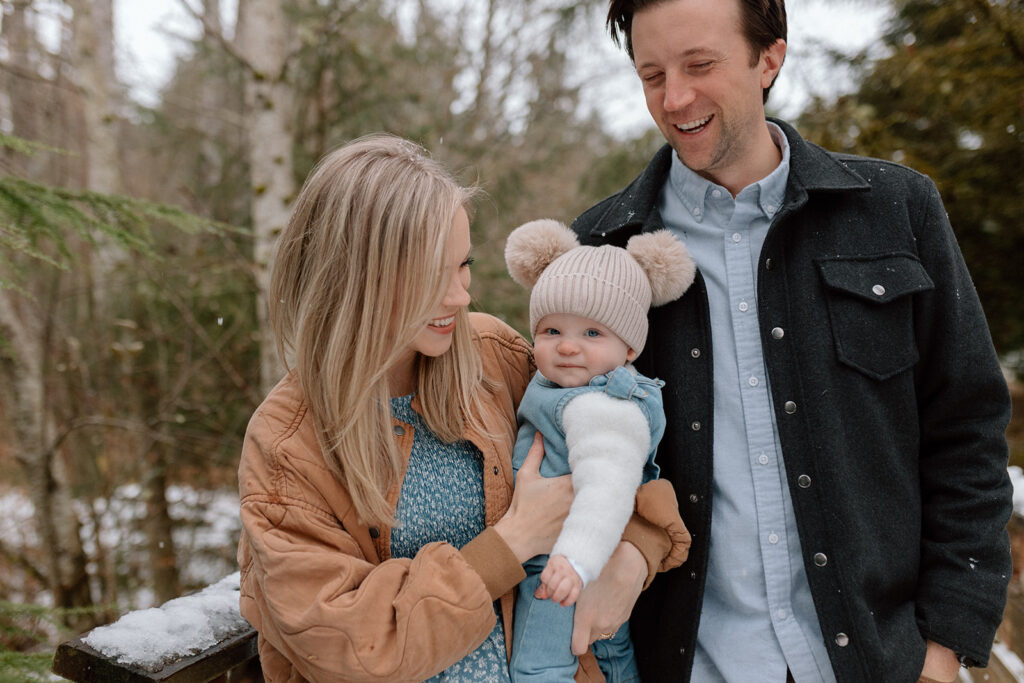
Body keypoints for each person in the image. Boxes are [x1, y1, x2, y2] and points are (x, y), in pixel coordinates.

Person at [566, 1, 1015, 681]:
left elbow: (968, 432)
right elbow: (576, 461)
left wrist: (944, 645)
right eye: (652, 73)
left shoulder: (899, 211)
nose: (675, 97)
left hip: (881, 660)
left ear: (769, 57)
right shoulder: (603, 249)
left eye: (700, 65)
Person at [235, 133, 690, 682]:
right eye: (431, 274)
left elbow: (627, 460)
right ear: (357, 278)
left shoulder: (495, 360)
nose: (460, 296)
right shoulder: (288, 445)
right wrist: (515, 539)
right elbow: (349, 648)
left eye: (463, 264)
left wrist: (630, 557)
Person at [502, 219, 695, 682]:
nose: (567, 346)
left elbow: (607, 488)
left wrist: (576, 560)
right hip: (558, 558)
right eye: (551, 331)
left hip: (563, 564)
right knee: (608, 659)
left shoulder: (601, 406)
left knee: (539, 668)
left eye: (592, 334)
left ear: (629, 348)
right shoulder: (564, 387)